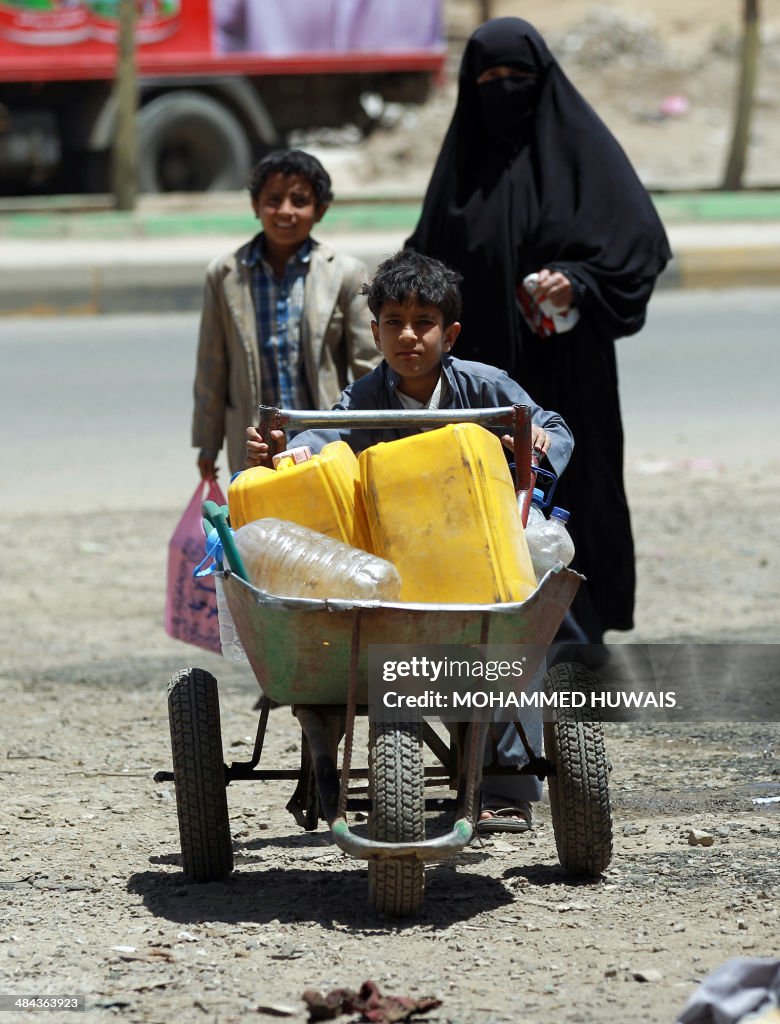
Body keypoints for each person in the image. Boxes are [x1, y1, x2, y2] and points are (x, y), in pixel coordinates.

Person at [246, 250, 575, 834]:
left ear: (449, 333)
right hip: (391, 559)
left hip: (477, 550)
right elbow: (320, 447)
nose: (408, 335)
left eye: (423, 323)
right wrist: (284, 454)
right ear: (374, 332)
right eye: (393, 323)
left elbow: (550, 426)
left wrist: (541, 441)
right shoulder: (360, 398)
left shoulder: (485, 386)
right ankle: (327, 751)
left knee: (510, 623)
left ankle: (503, 787)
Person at [405, 18, 672, 644]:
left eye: (518, 78)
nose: (504, 91)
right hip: (479, 381)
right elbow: (427, 264)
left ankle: (582, 643)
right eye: (489, 80)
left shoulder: (582, 155)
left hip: (570, 372)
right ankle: (491, 639)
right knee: (481, 501)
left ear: (543, 82)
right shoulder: (459, 173)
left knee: (575, 492)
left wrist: (578, 283)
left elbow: (637, 243)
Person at [192, 148, 378, 480]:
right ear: (255, 205)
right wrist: (208, 444)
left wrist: (374, 434)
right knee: (260, 526)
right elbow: (212, 366)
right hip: (253, 443)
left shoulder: (345, 273)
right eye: (273, 200)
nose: (285, 211)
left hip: (322, 437)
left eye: (299, 201)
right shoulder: (225, 274)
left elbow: (369, 366)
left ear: (320, 210)